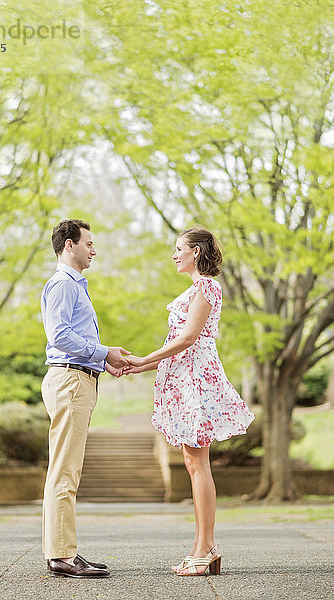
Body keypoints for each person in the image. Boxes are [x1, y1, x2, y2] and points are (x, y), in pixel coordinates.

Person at [125, 226, 254, 576]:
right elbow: (178, 342)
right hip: (185, 375)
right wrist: (142, 366)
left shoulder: (207, 286)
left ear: (195, 252)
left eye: (178, 248)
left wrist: (141, 359)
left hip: (197, 378)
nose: (174, 254)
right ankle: (202, 546)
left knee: (198, 462)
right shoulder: (196, 288)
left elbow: (188, 339)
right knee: (193, 461)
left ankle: (206, 546)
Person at [40, 218, 130, 579]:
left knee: (65, 470)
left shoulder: (74, 285)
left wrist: (103, 360)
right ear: (69, 246)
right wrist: (103, 352)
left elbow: (73, 338)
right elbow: (59, 335)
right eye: (88, 243)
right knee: (64, 471)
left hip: (78, 380)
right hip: (70, 382)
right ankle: (61, 555)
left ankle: (61, 551)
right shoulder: (63, 284)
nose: (94, 250)